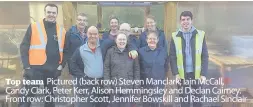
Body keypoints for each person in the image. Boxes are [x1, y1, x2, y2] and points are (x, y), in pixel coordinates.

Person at [69, 26, 139, 107]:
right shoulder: (80, 49)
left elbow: (122, 41)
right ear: (86, 34)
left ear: (98, 35)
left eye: (95, 34)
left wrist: (132, 48)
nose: (93, 36)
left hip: (101, 83)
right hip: (88, 84)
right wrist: (82, 76)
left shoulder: (104, 44)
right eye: (90, 34)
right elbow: (72, 64)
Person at [19, 3, 69, 107]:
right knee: (27, 97)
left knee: (50, 98)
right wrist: (27, 67)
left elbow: (66, 51)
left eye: (54, 13)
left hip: (52, 70)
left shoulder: (62, 31)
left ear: (57, 14)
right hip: (34, 69)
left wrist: (60, 67)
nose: (51, 14)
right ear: (45, 13)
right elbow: (24, 47)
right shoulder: (34, 27)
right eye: (49, 12)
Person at [169, 11, 209, 107]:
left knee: (197, 99)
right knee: (184, 100)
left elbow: (205, 55)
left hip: (197, 74)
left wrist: (203, 74)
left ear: (192, 21)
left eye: (188, 19)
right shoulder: (175, 36)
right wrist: (176, 74)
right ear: (180, 21)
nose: (185, 22)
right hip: (182, 75)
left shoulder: (200, 34)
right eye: (183, 19)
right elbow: (172, 56)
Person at [103, 31, 141, 107]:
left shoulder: (132, 53)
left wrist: (136, 86)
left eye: (124, 39)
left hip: (128, 88)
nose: (122, 41)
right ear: (116, 40)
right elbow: (106, 69)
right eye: (120, 39)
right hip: (114, 88)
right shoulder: (110, 52)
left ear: (127, 41)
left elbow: (136, 70)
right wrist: (107, 85)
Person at [138, 31, 169, 107]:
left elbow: (166, 66)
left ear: (157, 40)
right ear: (146, 40)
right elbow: (137, 68)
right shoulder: (140, 51)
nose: (152, 40)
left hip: (159, 83)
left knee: (158, 103)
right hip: (145, 84)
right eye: (150, 38)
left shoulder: (163, 52)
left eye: (154, 39)